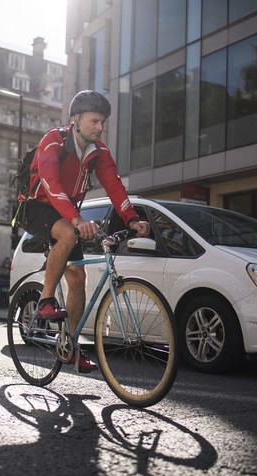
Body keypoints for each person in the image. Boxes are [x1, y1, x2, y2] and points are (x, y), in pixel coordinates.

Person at [20, 90, 150, 372]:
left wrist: (131, 218)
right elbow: (52, 186)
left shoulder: (99, 151)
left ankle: (71, 346)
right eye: (94, 121)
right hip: (36, 206)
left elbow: (114, 186)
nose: (99, 127)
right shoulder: (53, 141)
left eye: (102, 122)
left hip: (67, 212)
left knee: (79, 276)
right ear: (76, 119)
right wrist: (78, 221)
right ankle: (45, 300)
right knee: (68, 232)